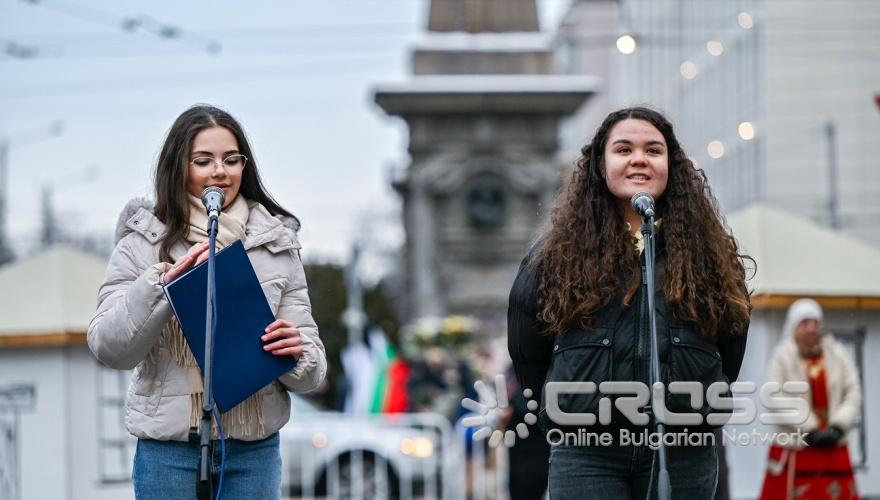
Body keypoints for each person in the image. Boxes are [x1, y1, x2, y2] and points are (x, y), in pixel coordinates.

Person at [507, 106, 752, 499]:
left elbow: (730, 346)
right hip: (587, 453)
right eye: (623, 149)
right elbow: (527, 351)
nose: (639, 158)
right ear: (601, 166)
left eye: (653, 150)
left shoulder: (711, 255)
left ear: (671, 166)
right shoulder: (554, 256)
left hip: (683, 452)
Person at [87, 104, 327, 499]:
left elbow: (311, 374)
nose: (221, 171)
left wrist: (298, 352)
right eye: (204, 161)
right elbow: (109, 348)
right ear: (178, 167)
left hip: (253, 452)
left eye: (232, 160)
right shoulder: (143, 243)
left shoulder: (277, 245)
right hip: (169, 454)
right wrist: (161, 286)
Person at [759, 298, 861, 499]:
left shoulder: (836, 353)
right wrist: (810, 428)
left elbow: (853, 391)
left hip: (834, 445)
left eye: (816, 323)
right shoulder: (783, 356)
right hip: (796, 447)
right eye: (805, 323)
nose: (811, 329)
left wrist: (838, 426)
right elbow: (774, 396)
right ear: (794, 326)